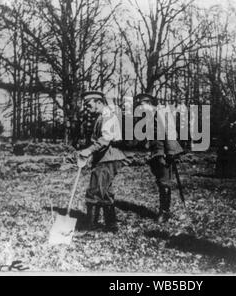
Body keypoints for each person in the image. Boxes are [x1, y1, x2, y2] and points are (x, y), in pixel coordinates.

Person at [77, 91, 127, 233]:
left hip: (108, 157)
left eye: (89, 104)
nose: (87, 107)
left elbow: (105, 140)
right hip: (105, 157)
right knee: (105, 192)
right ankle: (111, 226)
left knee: (94, 191)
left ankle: (90, 227)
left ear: (98, 102)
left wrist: (88, 150)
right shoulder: (101, 116)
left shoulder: (108, 116)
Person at [134, 93, 184, 223]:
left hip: (164, 151)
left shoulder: (161, 112)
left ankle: (164, 212)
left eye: (142, 105)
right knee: (159, 180)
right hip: (155, 151)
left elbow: (170, 131)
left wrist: (171, 151)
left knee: (164, 181)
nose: (141, 108)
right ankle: (164, 210)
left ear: (149, 104)